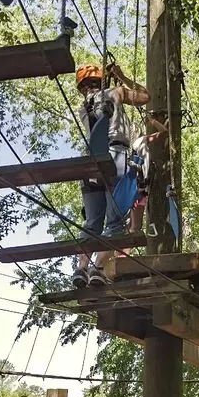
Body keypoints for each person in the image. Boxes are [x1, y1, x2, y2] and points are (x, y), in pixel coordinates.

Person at [72, 62, 150, 287]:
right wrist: (122, 77)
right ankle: (97, 269)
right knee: (114, 223)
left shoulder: (83, 108)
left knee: (92, 222)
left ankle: (81, 269)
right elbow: (146, 96)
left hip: (90, 163)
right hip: (115, 156)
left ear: (82, 88)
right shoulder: (115, 92)